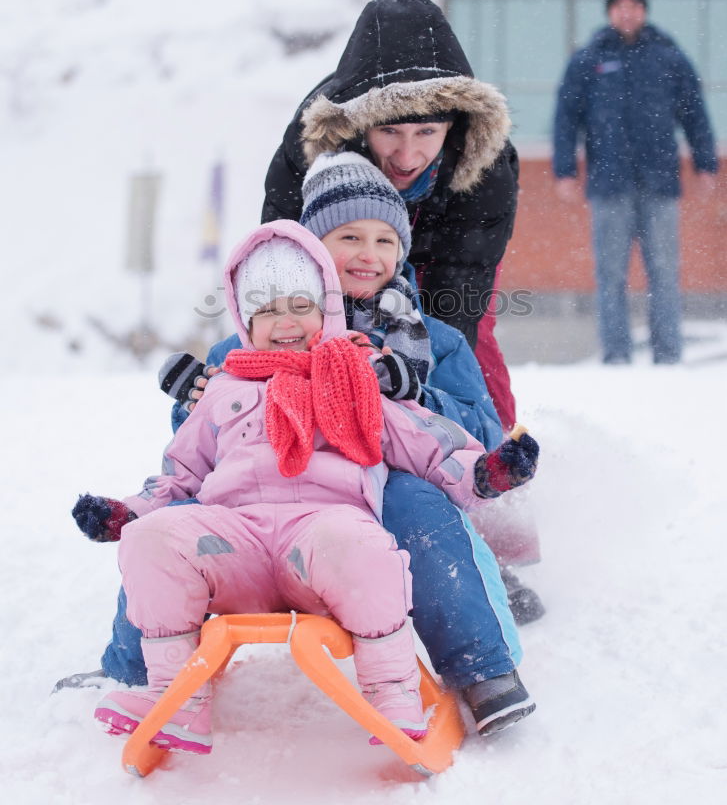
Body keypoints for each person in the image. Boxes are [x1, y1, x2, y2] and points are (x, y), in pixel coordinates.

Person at [71, 221, 537, 753]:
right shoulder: (225, 386)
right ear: (245, 322)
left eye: (299, 306)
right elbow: (182, 473)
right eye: (267, 310)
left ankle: (392, 691)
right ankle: (174, 699)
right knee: (153, 540)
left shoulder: (357, 378)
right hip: (236, 541)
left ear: (326, 310)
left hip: (320, 540)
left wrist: (485, 473)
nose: (285, 322)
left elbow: (424, 442)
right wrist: (129, 514)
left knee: (368, 546)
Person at [262, 0, 520, 430]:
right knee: (316, 330)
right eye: (390, 131)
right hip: (346, 247)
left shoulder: (486, 165)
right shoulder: (312, 148)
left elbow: (460, 303)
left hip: (442, 241)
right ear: (363, 126)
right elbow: (278, 266)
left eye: (426, 132)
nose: (407, 153)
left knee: (458, 340)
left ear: (453, 126)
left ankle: (493, 442)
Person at [553, 0, 719, 364]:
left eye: (634, 6)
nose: (627, 13)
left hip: (659, 182)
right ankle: (616, 355)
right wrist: (564, 169)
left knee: (663, 272)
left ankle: (668, 354)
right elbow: (566, 118)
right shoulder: (589, 60)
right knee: (610, 274)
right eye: (620, 6)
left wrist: (705, 162)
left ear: (644, 11)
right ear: (610, 12)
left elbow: (695, 114)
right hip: (609, 184)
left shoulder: (668, 58)